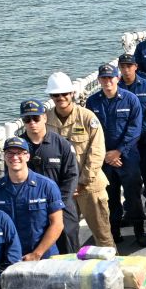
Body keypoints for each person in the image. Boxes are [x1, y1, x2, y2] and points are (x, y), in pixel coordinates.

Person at [46, 71, 111, 249]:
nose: (61, 98)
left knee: (102, 236)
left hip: (90, 188)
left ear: (72, 93)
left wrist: (82, 182)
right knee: (66, 237)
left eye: (64, 93)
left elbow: (97, 152)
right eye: (56, 95)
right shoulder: (45, 120)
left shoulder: (87, 118)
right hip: (63, 191)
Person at [86, 63, 145, 248]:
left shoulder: (131, 100)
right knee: (109, 197)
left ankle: (139, 231)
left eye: (110, 78)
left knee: (133, 194)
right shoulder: (92, 102)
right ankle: (114, 233)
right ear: (99, 81)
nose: (107, 81)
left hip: (127, 156)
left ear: (117, 79)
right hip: (104, 158)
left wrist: (119, 151)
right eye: (103, 78)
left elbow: (135, 129)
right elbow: (91, 131)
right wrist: (105, 155)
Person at [0, 136, 66, 263]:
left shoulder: (47, 186)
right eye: (10, 153)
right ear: (4, 156)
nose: (14, 157)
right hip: (11, 259)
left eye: (19, 153)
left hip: (44, 257)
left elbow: (57, 224)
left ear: (28, 157)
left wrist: (36, 254)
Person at [17, 99, 81, 251]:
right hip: (31, 208)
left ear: (45, 117)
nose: (32, 122)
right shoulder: (17, 149)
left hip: (61, 206)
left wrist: (57, 204)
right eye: (27, 119)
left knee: (68, 249)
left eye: (36, 118)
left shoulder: (62, 145)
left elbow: (71, 176)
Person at [117, 54, 146, 231]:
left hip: (145, 142)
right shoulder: (116, 87)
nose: (126, 69)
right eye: (123, 66)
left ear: (136, 66)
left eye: (129, 65)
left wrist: (135, 134)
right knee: (129, 180)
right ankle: (132, 212)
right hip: (125, 146)